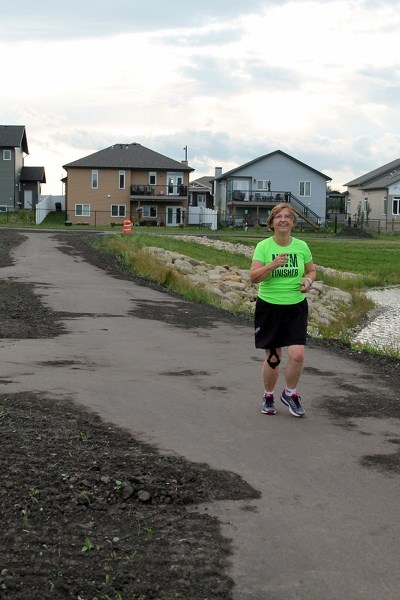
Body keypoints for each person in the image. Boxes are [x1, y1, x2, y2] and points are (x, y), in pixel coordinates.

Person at [249, 203, 316, 417]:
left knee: (297, 355)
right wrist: (272, 265)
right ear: (272, 223)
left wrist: (308, 281)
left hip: (295, 306)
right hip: (270, 306)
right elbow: (253, 277)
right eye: (279, 217)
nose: (283, 220)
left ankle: (290, 393)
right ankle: (268, 395)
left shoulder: (301, 246)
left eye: (288, 217)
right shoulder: (264, 247)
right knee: (274, 357)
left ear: (293, 223)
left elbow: (312, 270)